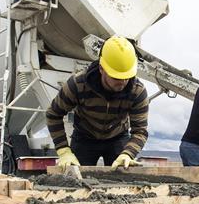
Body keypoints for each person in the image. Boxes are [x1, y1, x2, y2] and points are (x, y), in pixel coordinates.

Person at [46, 36, 149, 168]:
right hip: (84, 137)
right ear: (102, 69)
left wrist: (128, 153)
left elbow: (140, 130)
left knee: (122, 179)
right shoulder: (78, 85)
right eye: (116, 76)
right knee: (75, 180)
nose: (122, 82)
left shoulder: (137, 91)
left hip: (117, 137)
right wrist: (63, 151)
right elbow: (53, 114)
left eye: (126, 77)